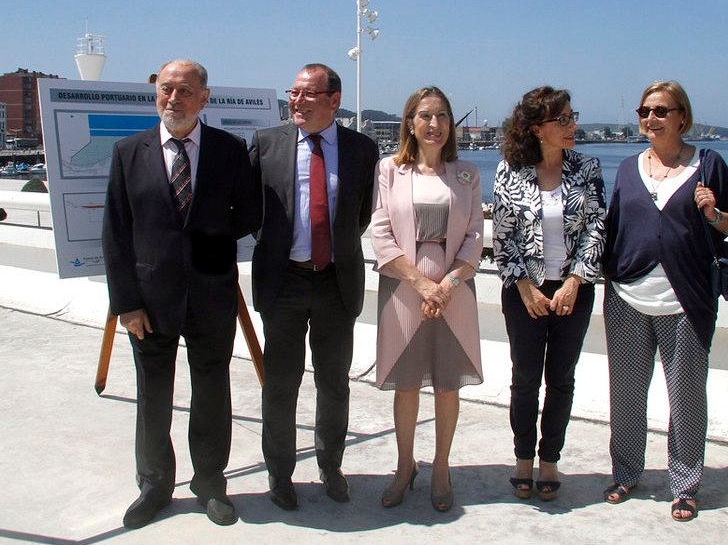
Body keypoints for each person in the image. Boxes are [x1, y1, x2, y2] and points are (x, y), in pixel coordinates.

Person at [102, 59, 262, 528]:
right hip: (149, 300)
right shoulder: (128, 152)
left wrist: (210, 243)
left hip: (212, 294)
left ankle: (210, 483)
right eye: (167, 89)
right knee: (153, 394)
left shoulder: (229, 149)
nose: (174, 98)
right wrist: (126, 304)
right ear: (157, 93)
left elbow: (249, 212)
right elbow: (115, 232)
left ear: (204, 97)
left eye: (185, 90)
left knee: (211, 391)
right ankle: (154, 485)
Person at [601, 81, 728, 521]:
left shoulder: (708, 164)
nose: (651, 118)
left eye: (662, 110)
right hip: (627, 297)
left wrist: (713, 214)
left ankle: (684, 485)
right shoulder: (628, 168)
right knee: (626, 394)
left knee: (686, 398)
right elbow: (614, 227)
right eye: (645, 110)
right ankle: (626, 473)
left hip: (685, 301)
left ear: (683, 116)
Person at [249, 64, 378, 510]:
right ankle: (279, 474)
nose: (297, 101)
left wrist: (331, 247)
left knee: (334, 382)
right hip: (283, 281)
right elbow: (252, 210)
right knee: (280, 385)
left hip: (335, 282)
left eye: (308, 94)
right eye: (293, 93)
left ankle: (331, 465)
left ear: (334, 101)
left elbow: (362, 215)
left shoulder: (362, 149)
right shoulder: (266, 143)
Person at [370, 87, 484, 512]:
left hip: (455, 291)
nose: (434, 124)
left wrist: (447, 286)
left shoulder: (467, 174)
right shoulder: (389, 170)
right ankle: (405, 466)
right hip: (404, 288)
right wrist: (420, 284)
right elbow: (381, 232)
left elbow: (475, 236)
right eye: (425, 116)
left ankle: (441, 468)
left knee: (447, 385)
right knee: (406, 385)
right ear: (410, 123)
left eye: (442, 116)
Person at [492, 86, 605, 502]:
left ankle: (550, 460)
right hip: (524, 291)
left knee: (561, 379)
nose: (573, 125)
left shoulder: (587, 167)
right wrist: (525, 287)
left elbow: (597, 227)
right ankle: (523, 458)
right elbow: (503, 237)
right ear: (538, 129)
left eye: (573, 117)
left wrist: (575, 280)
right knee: (525, 379)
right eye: (563, 119)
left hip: (574, 290)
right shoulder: (510, 170)